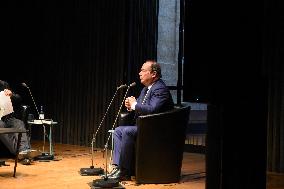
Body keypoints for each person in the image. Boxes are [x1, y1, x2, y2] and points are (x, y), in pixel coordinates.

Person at [104, 60, 174, 181]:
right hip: (144, 125)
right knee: (119, 130)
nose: (139, 73)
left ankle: (125, 172)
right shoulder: (145, 89)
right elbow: (141, 108)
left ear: (153, 74)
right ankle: (117, 167)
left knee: (127, 131)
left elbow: (153, 110)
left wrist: (135, 104)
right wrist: (131, 106)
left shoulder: (160, 89)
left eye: (143, 70)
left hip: (156, 129)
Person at [0, 80, 38, 164]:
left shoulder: (3, 84)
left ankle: (24, 151)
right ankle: (20, 153)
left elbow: (18, 98)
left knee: (19, 123)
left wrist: (11, 95)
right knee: (1, 126)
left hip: (7, 117)